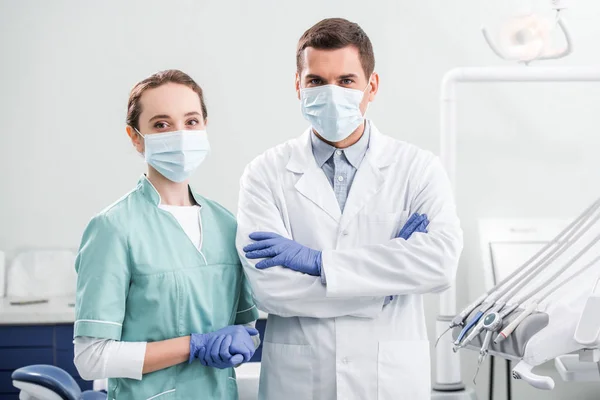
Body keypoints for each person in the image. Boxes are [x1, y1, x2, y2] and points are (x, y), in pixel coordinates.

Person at [236, 18, 463, 400]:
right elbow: (271, 290)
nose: (331, 93)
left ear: (370, 87)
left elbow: (440, 265)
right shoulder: (264, 173)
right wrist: (386, 287)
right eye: (316, 82)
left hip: (390, 381)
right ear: (298, 86)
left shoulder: (418, 168)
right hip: (300, 381)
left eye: (345, 81)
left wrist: (321, 263)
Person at [73, 69, 259, 400]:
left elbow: (245, 326)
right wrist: (193, 346)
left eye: (191, 121)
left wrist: (242, 341)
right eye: (161, 124)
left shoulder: (227, 224)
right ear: (135, 137)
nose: (181, 134)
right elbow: (91, 358)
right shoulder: (114, 228)